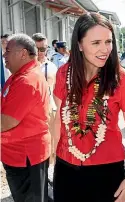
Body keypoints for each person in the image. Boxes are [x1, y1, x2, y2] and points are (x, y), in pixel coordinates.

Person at [52, 12, 125, 202]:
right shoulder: (63, 74)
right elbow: (58, 119)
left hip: (108, 173)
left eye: (108, 42)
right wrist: (52, 156)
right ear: (79, 45)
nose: (104, 49)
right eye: (96, 43)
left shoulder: (121, 78)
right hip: (66, 170)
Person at [1, 33, 50, 202]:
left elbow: (7, 121)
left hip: (25, 157)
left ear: (22, 53)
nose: (4, 55)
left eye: (7, 51)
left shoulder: (26, 80)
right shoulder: (17, 77)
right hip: (17, 155)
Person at [32, 33, 58, 162]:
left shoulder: (52, 67)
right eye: (36, 49)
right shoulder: (24, 67)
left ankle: (48, 174)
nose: (39, 52)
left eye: (42, 49)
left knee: (50, 144)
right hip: (31, 113)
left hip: (49, 110)